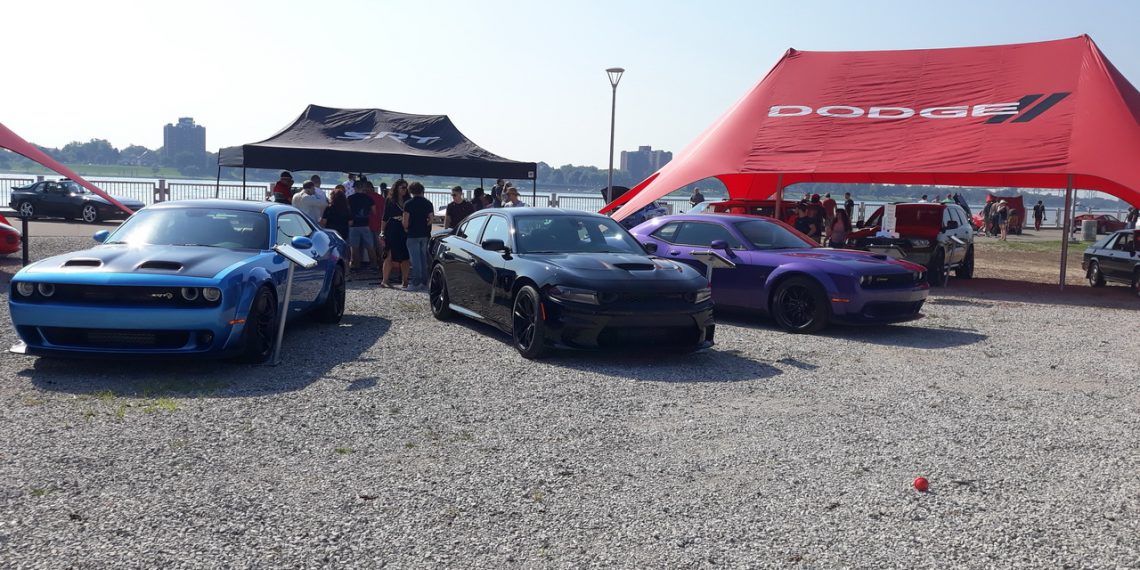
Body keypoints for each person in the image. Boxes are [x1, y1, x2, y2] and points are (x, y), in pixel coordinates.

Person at [402, 182, 435, 291]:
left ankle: (416, 283)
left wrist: (406, 228)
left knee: (415, 260)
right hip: (425, 234)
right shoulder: (428, 203)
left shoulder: (408, 203)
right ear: (422, 190)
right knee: (423, 259)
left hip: (412, 234)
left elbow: (405, 221)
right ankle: (424, 282)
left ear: (411, 191)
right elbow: (431, 219)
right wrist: (425, 225)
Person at [381, 180, 411, 289]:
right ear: (397, 188)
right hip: (392, 228)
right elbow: (385, 217)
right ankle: (385, 280)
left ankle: (405, 281)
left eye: (406, 187)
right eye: (402, 187)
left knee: (405, 256)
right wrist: (382, 231)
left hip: (404, 229)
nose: (405, 189)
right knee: (389, 254)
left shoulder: (409, 200)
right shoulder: (390, 200)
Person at [346, 181, 377, 272]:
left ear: (355, 188)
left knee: (354, 247)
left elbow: (347, 210)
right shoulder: (369, 198)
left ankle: (356, 266)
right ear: (363, 187)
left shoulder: (350, 198)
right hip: (365, 224)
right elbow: (374, 211)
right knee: (370, 246)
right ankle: (374, 265)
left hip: (353, 225)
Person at [367, 182, 387, 272]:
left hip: (369, 224)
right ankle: (382, 263)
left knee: (371, 246)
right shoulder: (380, 197)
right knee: (380, 245)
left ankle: (374, 264)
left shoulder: (366, 197)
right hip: (379, 224)